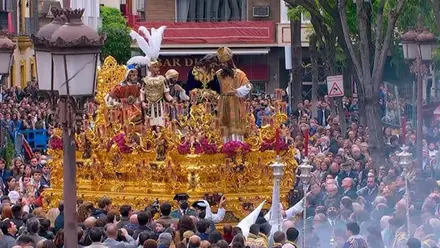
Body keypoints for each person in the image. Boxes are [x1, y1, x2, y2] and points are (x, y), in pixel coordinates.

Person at [216, 47, 252, 142]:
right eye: (222, 63)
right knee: (223, 130)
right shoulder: (218, 74)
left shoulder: (239, 73)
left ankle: (237, 150)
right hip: (222, 106)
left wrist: (236, 91)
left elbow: (248, 86)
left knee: (235, 131)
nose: (223, 65)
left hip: (236, 105)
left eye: (225, 63)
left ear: (230, 62)